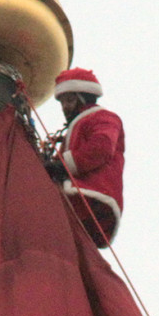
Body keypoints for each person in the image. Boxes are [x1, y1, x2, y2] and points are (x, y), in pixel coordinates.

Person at [45, 67, 125, 247]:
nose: (65, 107)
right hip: (81, 199)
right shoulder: (77, 127)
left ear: (84, 98)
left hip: (91, 196)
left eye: (70, 100)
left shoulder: (104, 117)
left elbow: (101, 148)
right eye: (62, 102)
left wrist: (61, 166)